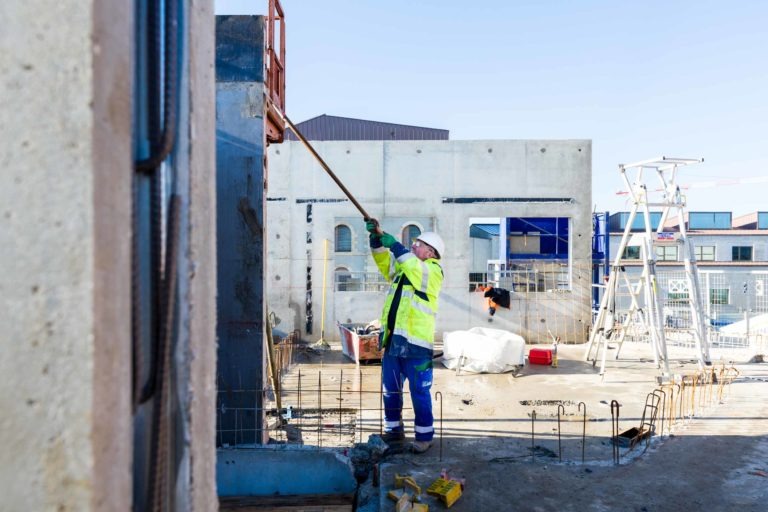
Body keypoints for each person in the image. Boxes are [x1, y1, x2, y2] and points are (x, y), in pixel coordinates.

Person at [365, 218, 445, 454]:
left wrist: (396, 245)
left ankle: (424, 436)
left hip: (417, 348)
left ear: (430, 252)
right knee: (391, 390)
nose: (413, 246)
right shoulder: (403, 271)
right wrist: (377, 241)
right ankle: (393, 431)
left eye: (418, 244)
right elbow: (385, 263)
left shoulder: (433, 271)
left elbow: (414, 268)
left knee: (419, 392)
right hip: (393, 343)